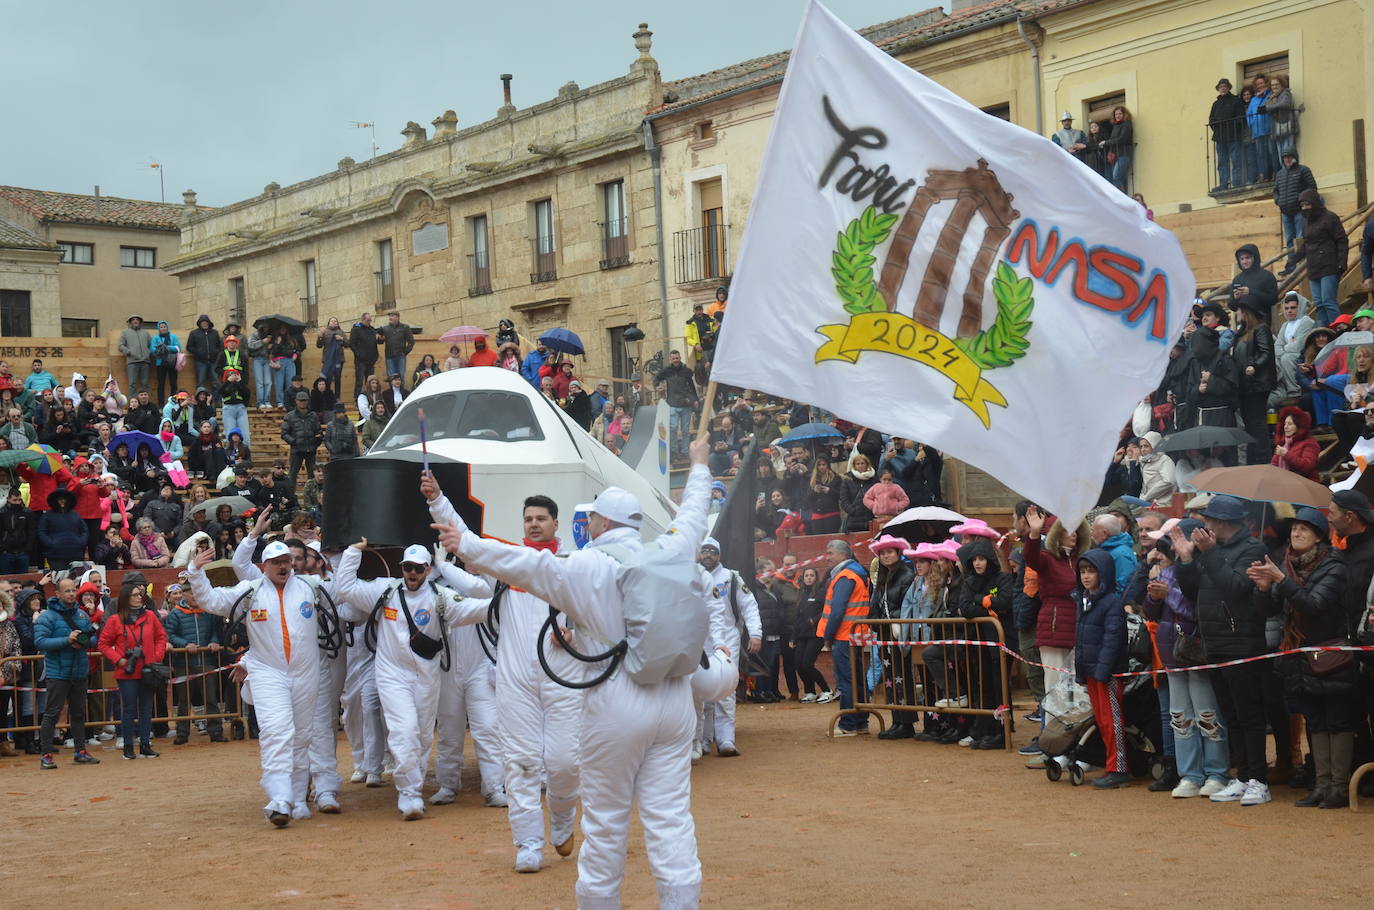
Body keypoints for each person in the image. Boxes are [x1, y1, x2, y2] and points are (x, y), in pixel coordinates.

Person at [428, 433, 713, 906]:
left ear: (601, 521)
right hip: (675, 701)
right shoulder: (672, 550)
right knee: (671, 820)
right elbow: (694, 516)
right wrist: (699, 465)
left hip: (617, 702)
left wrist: (469, 547)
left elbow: (524, 565)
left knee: (604, 824)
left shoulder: (586, 565)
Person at [426, 482, 578, 863]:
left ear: (555, 523)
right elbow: (466, 536)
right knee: (522, 762)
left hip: (562, 678)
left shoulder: (572, 566)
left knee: (564, 763)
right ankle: (528, 844)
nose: (533, 524)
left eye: (541, 518)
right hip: (516, 681)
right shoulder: (507, 562)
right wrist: (436, 499)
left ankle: (561, 817)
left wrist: (577, 631)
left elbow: (597, 613)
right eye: (528, 519)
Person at [331, 539, 491, 820]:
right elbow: (345, 588)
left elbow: (477, 609)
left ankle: (413, 789)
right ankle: (409, 795)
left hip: (427, 677)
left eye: (418, 568)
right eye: (407, 568)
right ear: (401, 569)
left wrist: (511, 594)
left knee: (420, 736)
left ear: (428, 570)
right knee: (403, 732)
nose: (412, 574)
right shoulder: (385, 592)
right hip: (392, 676)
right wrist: (353, 552)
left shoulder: (440, 598)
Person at [186, 539, 322, 826]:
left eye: (286, 560)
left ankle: (298, 798)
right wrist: (196, 572)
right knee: (276, 732)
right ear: (265, 566)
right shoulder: (250, 592)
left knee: (302, 736)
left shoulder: (312, 587)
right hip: (267, 673)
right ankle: (280, 800)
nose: (283, 566)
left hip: (306, 673)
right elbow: (211, 601)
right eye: (276, 562)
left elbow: (346, 593)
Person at [1170, 495, 1271, 805]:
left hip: (1242, 641)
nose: (1205, 524)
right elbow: (1192, 590)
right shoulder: (1210, 550)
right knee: (1231, 715)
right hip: (1213, 642)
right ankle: (1242, 776)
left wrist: (1209, 554)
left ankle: (1259, 780)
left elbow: (1238, 588)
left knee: (1250, 715)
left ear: (1223, 523)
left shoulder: (1252, 548)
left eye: (1210, 520)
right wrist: (1187, 560)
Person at [1247, 507, 1351, 807]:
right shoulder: (1286, 564)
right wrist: (1264, 589)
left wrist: (1281, 579)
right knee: (1315, 719)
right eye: (1294, 529)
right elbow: (1270, 610)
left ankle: (1339, 787)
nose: (1297, 533)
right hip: (1298, 654)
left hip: (1331, 653)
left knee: (1336, 720)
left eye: (1305, 529)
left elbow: (1315, 604)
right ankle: (1321, 784)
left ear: (1319, 536)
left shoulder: (1334, 564)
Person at [1071, 547, 1130, 788]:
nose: (1086, 576)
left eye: (1091, 571)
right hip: (1093, 671)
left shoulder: (1112, 603)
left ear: (1103, 574)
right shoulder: (1083, 601)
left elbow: (1112, 640)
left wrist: (1103, 671)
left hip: (1107, 673)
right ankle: (1110, 764)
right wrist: (1082, 670)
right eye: (1083, 571)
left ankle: (1118, 768)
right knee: (1103, 721)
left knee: (1112, 721)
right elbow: (1082, 639)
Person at [696, 538, 760, 759]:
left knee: (724, 691)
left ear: (719, 555)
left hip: (727, 639)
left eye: (713, 552)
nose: (708, 555)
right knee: (701, 692)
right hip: (698, 641)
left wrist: (756, 633)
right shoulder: (692, 577)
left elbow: (749, 606)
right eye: (704, 551)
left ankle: (725, 740)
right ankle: (702, 741)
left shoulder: (731, 578)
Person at [33, 578, 100, 769]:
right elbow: (40, 642)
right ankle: (46, 754)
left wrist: (84, 641)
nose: (71, 594)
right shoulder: (47, 617)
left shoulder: (81, 615)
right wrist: (67, 640)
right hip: (58, 672)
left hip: (79, 671)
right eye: (67, 591)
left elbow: (92, 639)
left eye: (73, 590)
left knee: (78, 713)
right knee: (52, 714)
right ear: (58, 594)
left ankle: (80, 751)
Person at [98, 581, 167, 760]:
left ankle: (145, 744)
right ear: (126, 598)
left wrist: (156, 657)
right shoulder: (115, 620)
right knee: (128, 709)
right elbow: (103, 644)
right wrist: (119, 659)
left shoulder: (150, 616)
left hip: (148, 669)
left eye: (140, 595)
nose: (139, 598)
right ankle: (128, 746)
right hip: (126, 671)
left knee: (146, 709)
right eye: (135, 595)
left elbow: (161, 637)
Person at [818, 539, 871, 737]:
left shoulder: (845, 575)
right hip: (855, 634)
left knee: (846, 681)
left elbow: (837, 610)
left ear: (842, 555)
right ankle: (861, 721)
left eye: (830, 553)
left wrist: (828, 636)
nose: (827, 557)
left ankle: (848, 724)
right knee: (857, 679)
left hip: (843, 635)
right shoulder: (858, 573)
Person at [867, 535, 917, 740]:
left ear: (898, 553)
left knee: (901, 676)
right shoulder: (882, 577)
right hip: (885, 634)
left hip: (899, 633)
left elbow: (907, 606)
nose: (886, 556)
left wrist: (890, 619)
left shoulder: (906, 575)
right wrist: (874, 620)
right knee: (890, 676)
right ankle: (897, 720)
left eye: (890, 552)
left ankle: (906, 723)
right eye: (883, 553)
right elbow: (876, 604)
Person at [1296, 189, 1349, 326]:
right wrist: (1295, 257)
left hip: (1329, 266)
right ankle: (1324, 334)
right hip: (1313, 267)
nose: (1304, 208)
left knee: (1328, 301)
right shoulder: (1305, 221)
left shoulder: (1330, 217)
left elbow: (1342, 240)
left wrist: (1342, 263)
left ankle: (1338, 330)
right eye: (1302, 205)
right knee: (1319, 304)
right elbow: (1307, 242)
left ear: (1314, 202)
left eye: (1307, 204)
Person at [1273, 153, 1317, 275]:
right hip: (1285, 212)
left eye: (1289, 157)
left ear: (1294, 157)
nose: (1287, 159)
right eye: (1284, 157)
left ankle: (1300, 266)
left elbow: (1312, 188)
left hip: (1299, 211)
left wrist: (1303, 202)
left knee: (1299, 239)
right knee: (1289, 241)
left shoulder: (1303, 170)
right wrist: (1278, 201)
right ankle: (1291, 267)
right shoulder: (1280, 174)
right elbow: (1275, 191)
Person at [654, 350, 698, 464]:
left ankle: (684, 453)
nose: (675, 360)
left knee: (685, 430)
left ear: (680, 357)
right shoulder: (667, 371)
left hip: (686, 404)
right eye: (673, 358)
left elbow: (692, 386)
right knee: (672, 429)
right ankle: (674, 452)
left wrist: (695, 400)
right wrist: (658, 386)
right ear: (670, 359)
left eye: (677, 358)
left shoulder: (687, 371)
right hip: (672, 403)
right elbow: (656, 379)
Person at [1209, 78, 1247, 191]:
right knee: (1222, 162)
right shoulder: (1215, 104)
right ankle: (1223, 184)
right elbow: (1211, 120)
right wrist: (1217, 127)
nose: (1223, 88)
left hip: (1233, 136)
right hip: (1220, 137)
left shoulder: (1236, 100)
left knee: (1235, 160)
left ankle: (1236, 183)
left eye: (1225, 86)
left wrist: (1230, 125)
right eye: (1221, 87)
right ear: (1218, 89)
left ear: (1229, 87)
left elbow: (1241, 118)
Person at [37, 489, 86, 569]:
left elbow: (84, 530)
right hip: (55, 555)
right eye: (59, 499)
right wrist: (51, 543)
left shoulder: (75, 515)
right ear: (55, 501)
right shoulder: (47, 516)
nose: (62, 501)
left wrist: (80, 542)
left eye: (64, 499)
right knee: (58, 579)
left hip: (75, 553)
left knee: (75, 579)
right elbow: (41, 532)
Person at [281, 391, 322, 486]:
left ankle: (312, 495)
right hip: (297, 450)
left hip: (310, 450)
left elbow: (318, 431)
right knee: (292, 474)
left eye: (305, 400)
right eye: (301, 400)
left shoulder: (313, 415)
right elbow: (284, 433)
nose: (303, 402)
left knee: (312, 476)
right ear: (296, 401)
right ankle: (291, 495)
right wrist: (294, 442)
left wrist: (316, 443)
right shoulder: (290, 416)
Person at [1244, 74, 1275, 182]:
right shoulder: (1253, 100)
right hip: (1257, 132)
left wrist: (1265, 92)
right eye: (1258, 84)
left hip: (1269, 130)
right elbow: (1249, 115)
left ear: (1266, 83)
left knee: (1272, 153)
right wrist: (1252, 123)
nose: (1260, 85)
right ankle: (1265, 176)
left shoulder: (1270, 95)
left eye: (1262, 83)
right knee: (1261, 155)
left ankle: (1274, 174)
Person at [118, 314, 153, 395]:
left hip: (145, 361)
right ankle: (133, 404)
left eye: (137, 319)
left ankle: (145, 403)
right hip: (132, 362)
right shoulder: (125, 333)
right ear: (130, 322)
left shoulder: (146, 333)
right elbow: (120, 346)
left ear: (140, 322)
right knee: (132, 384)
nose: (135, 321)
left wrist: (148, 353)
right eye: (133, 319)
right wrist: (129, 352)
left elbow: (151, 345)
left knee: (145, 384)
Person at [1101, 106, 1134, 192]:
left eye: (1120, 114)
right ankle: (1122, 198)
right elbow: (1113, 139)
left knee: (1116, 177)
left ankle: (1122, 199)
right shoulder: (1116, 126)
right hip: (1116, 156)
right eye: (1116, 114)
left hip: (1124, 155)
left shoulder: (1127, 124)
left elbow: (1122, 139)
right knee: (1118, 178)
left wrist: (1106, 142)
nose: (1117, 116)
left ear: (1124, 114)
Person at [149, 321, 183, 402]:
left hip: (172, 362)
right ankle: (161, 404)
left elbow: (178, 348)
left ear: (167, 327)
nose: (163, 328)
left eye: (165, 327)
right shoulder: (155, 338)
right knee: (161, 384)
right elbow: (152, 349)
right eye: (161, 327)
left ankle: (174, 402)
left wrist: (166, 347)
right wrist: (161, 349)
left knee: (173, 383)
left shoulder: (173, 337)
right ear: (158, 328)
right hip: (160, 363)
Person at [187, 315, 223, 391]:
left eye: (206, 322)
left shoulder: (215, 333)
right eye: (202, 322)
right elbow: (189, 347)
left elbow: (220, 346)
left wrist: (216, 352)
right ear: (199, 324)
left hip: (214, 362)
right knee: (200, 383)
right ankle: (201, 402)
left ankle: (217, 402)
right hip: (200, 362)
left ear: (209, 323)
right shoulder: (194, 333)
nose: (204, 324)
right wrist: (199, 352)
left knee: (216, 382)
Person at [349, 313, 380, 398]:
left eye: (370, 320)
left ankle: (369, 398)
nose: (369, 322)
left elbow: (379, 342)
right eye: (367, 320)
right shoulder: (356, 329)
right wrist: (359, 354)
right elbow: (352, 344)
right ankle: (357, 399)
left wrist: (380, 338)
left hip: (371, 359)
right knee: (359, 381)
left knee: (370, 381)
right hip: (360, 360)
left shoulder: (372, 330)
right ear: (362, 320)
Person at [316, 316, 348, 397]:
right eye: (332, 321)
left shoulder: (341, 332)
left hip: (339, 359)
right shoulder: (325, 331)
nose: (333, 322)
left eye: (335, 321)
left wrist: (341, 338)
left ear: (337, 323)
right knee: (327, 379)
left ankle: (337, 397)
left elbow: (347, 344)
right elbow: (319, 345)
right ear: (329, 323)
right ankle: (328, 397)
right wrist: (320, 336)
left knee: (337, 379)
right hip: (328, 360)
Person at [379, 312, 415, 381]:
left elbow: (411, 341)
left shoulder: (405, 327)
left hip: (401, 356)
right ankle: (393, 391)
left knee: (401, 376)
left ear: (398, 317)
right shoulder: (385, 328)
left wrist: (405, 352)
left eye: (392, 316)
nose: (390, 318)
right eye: (389, 316)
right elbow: (380, 342)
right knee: (391, 377)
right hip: (389, 357)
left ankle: (400, 391)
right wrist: (380, 338)